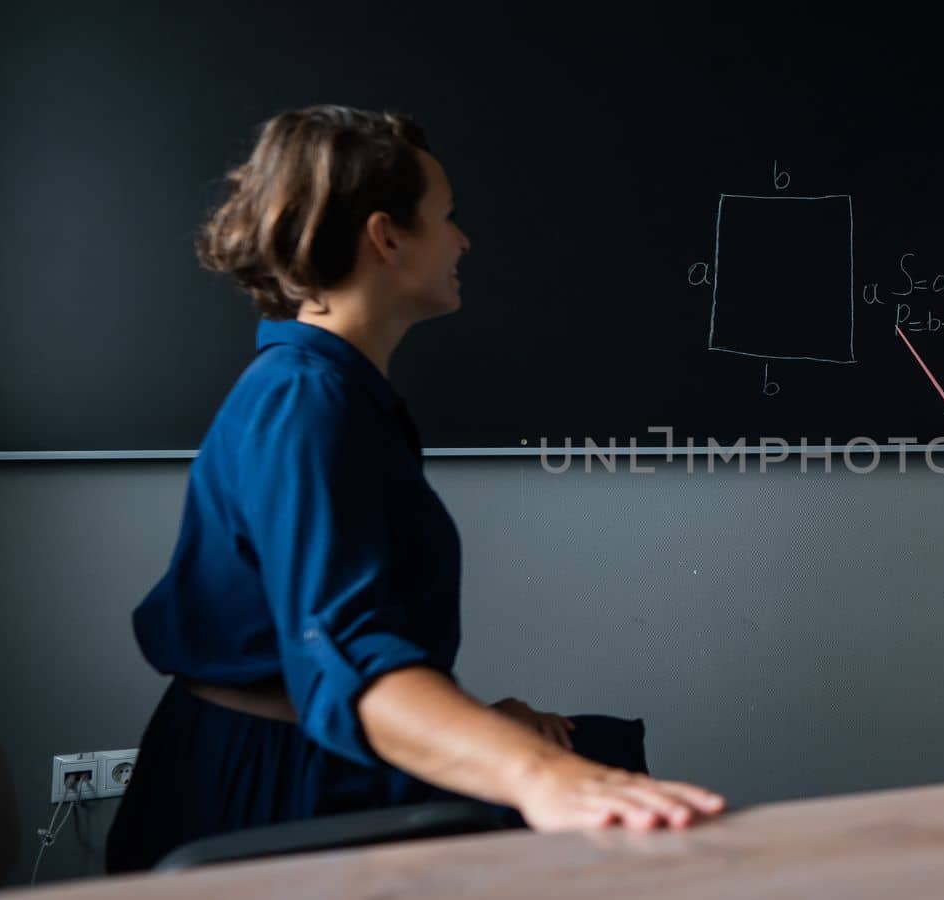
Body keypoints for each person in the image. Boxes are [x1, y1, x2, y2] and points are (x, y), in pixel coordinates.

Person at [106, 105, 724, 872]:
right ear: (386, 237)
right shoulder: (303, 402)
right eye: (447, 216)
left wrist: (481, 731)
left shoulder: (341, 392)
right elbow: (346, 656)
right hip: (266, 785)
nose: (463, 240)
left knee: (595, 741)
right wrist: (543, 777)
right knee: (595, 799)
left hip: (305, 748)